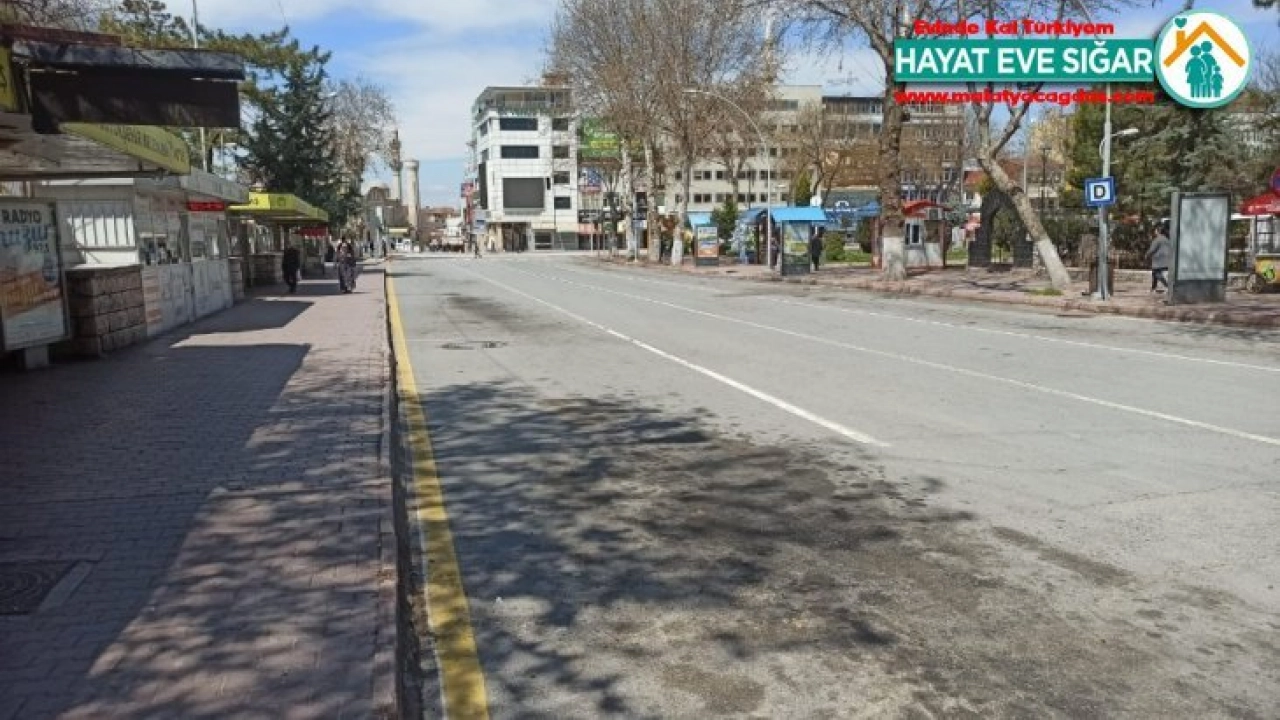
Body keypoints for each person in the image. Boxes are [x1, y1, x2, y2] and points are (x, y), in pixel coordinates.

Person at [1145, 223, 1171, 293]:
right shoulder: (1167, 239)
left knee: (1157, 274)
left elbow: (1152, 250)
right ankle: (1153, 288)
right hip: (1166, 259)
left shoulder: (1157, 240)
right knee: (1155, 274)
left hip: (1159, 260)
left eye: (1155, 230)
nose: (1154, 231)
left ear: (1158, 231)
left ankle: (1168, 286)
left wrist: (1147, 255)